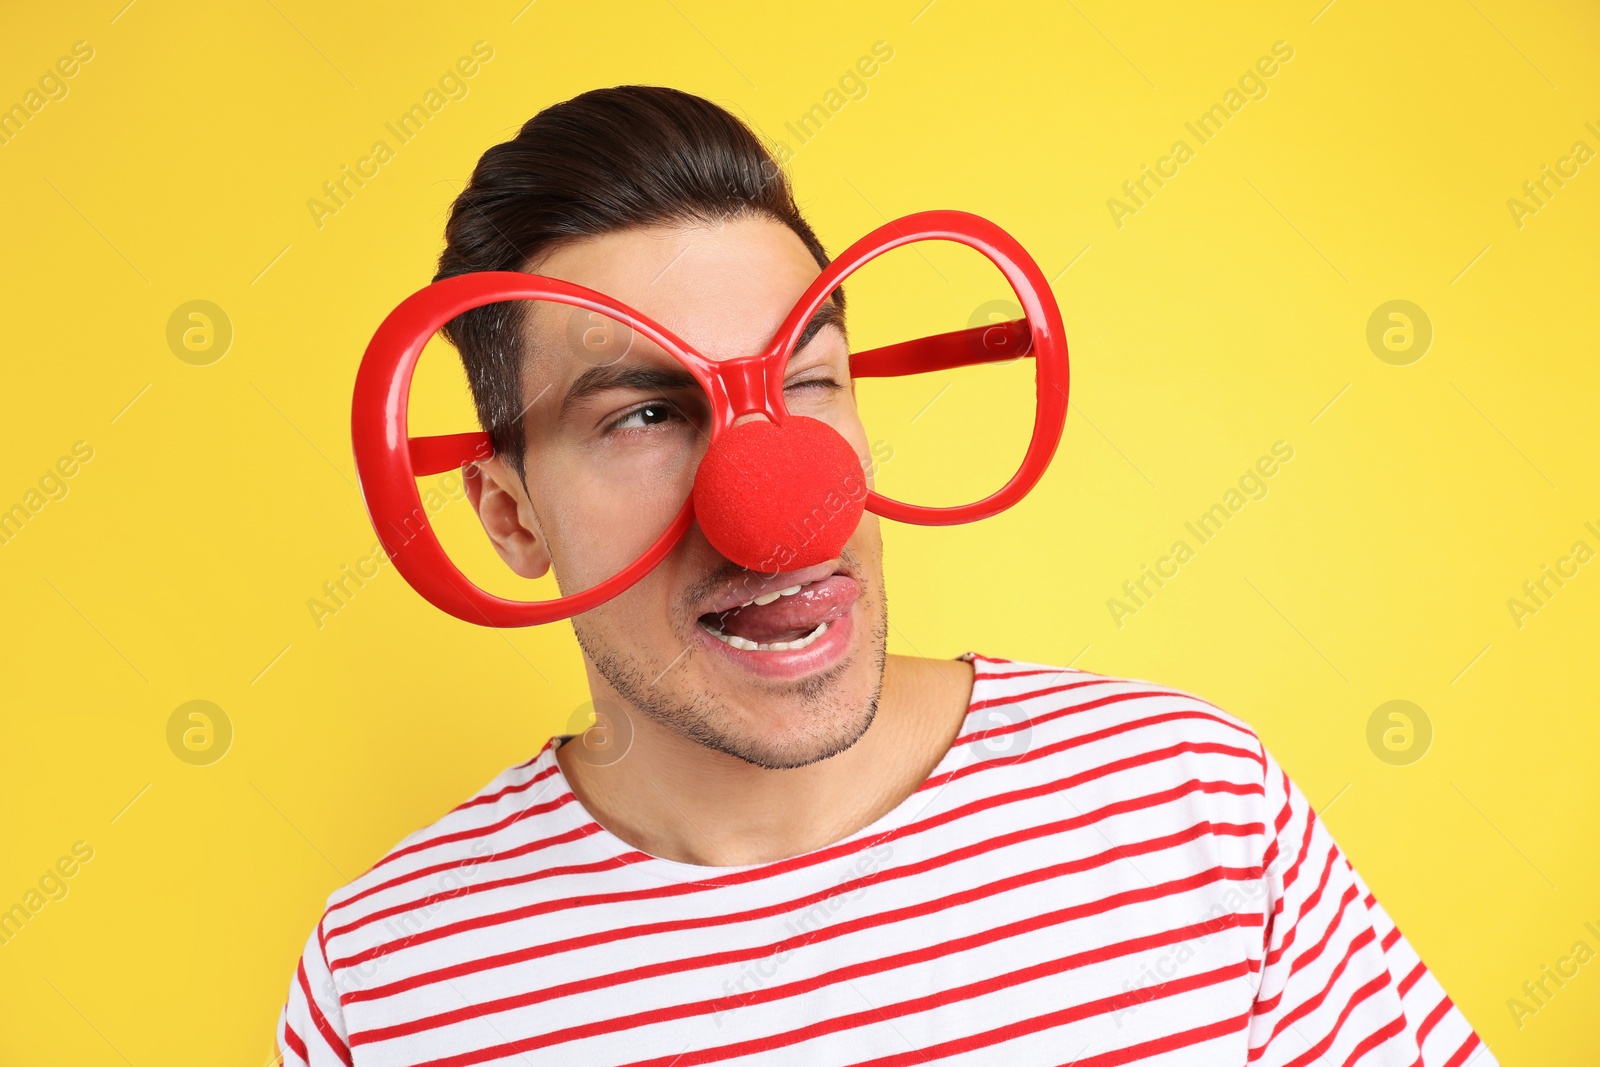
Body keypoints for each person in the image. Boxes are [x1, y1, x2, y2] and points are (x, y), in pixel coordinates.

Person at [275, 85, 1494, 1066]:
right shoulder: (388, 980)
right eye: (647, 413)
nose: (778, 502)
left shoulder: (1186, 803)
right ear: (507, 512)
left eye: (805, 382)